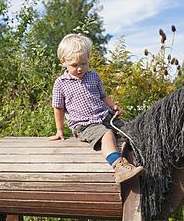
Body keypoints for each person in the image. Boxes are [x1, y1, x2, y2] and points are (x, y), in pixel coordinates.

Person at [49, 34, 144, 183]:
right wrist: (59, 130)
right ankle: (119, 167)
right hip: (84, 125)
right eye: (75, 65)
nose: (80, 69)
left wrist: (113, 106)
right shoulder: (61, 83)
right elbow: (58, 108)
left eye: (84, 63)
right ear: (63, 62)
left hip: (105, 117)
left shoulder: (93, 76)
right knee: (106, 135)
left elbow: (103, 96)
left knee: (129, 129)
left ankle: (142, 159)